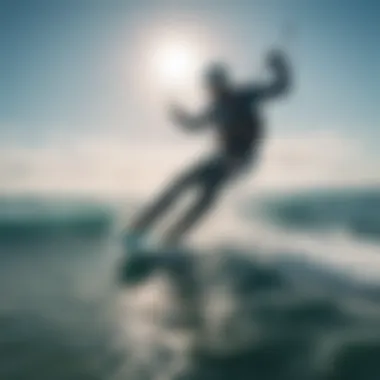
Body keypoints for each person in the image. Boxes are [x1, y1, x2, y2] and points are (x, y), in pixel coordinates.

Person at [128, 49, 292, 246]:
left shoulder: (245, 95)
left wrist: (280, 65)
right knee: (180, 182)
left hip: (243, 158)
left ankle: (173, 237)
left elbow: (281, 88)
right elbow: (194, 125)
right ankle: (140, 227)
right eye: (208, 86)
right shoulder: (215, 108)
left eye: (213, 84)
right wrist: (178, 116)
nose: (210, 89)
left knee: (207, 193)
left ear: (222, 82)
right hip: (222, 156)